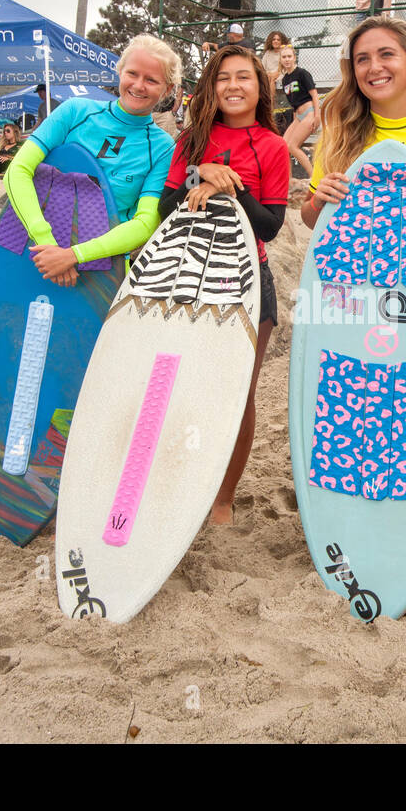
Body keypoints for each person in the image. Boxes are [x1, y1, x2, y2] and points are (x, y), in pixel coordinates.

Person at [154, 44, 289, 526]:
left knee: (237, 392)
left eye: (244, 77)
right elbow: (164, 209)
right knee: (183, 387)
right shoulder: (190, 140)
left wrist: (228, 181)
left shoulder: (272, 146)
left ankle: (224, 499)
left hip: (248, 281)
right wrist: (200, 170)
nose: (233, 85)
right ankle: (179, 480)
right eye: (223, 78)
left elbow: (271, 225)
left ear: (260, 87)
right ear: (211, 87)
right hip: (186, 278)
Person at [4, 33, 181, 287]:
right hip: (34, 251)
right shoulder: (75, 111)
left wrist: (72, 256)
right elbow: (17, 171)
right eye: (132, 73)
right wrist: (46, 243)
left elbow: (145, 223)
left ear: (168, 89)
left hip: (100, 269)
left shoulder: (164, 148)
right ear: (120, 72)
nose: (139, 85)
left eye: (152, 80)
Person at [301, 16, 406, 231]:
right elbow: (311, 220)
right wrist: (318, 202)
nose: (374, 67)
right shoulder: (339, 136)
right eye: (362, 59)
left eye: (387, 54)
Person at [278, 44, 320, 174]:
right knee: (283, 146)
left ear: (294, 57)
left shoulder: (302, 73)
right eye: (284, 57)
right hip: (299, 116)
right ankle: (288, 180)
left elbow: (314, 95)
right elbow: (293, 102)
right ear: (280, 59)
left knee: (293, 146)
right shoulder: (285, 80)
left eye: (289, 56)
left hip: (309, 113)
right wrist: (296, 118)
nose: (287, 59)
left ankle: (313, 177)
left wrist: (317, 116)